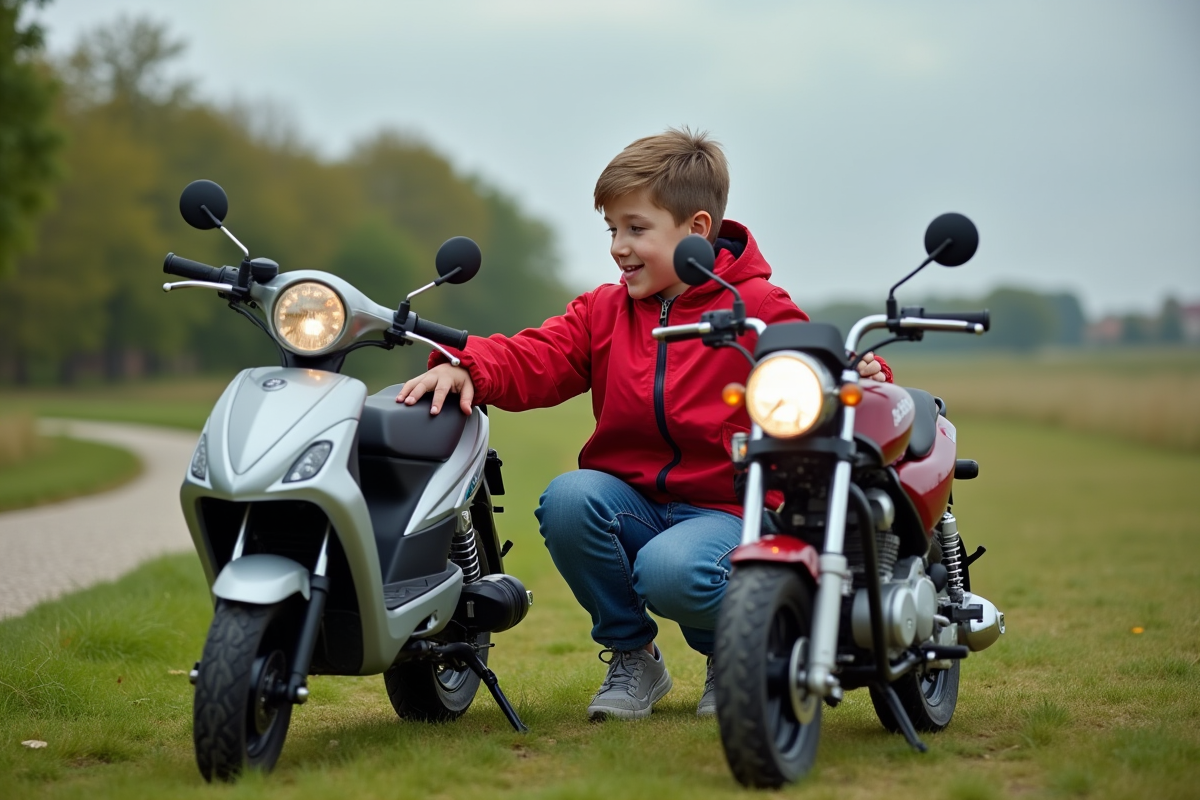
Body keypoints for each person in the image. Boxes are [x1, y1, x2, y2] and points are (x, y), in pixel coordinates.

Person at [397, 128, 892, 721]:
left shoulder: (757, 306)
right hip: (637, 501)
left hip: (734, 510)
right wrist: (468, 368)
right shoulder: (604, 311)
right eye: (611, 230)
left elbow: (818, 366)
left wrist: (863, 369)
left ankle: (732, 655)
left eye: (636, 229)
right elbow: (538, 355)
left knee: (670, 570)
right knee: (568, 499)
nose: (618, 247)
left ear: (698, 230)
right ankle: (635, 657)